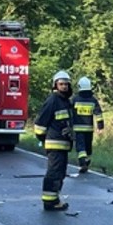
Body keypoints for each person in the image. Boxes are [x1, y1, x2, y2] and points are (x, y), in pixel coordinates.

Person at [34, 70, 75, 210]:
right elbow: (40, 125)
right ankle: (49, 202)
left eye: (66, 84)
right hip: (55, 144)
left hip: (63, 146)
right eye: (61, 84)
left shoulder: (65, 102)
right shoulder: (52, 100)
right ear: (55, 85)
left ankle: (54, 199)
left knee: (60, 174)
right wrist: (45, 138)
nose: (64, 86)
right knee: (54, 173)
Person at [71, 76, 104, 173]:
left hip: (78, 129)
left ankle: (82, 162)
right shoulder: (93, 100)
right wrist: (100, 126)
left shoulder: (75, 99)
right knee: (88, 146)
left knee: (80, 147)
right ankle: (87, 160)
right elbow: (98, 114)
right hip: (89, 129)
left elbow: (70, 113)